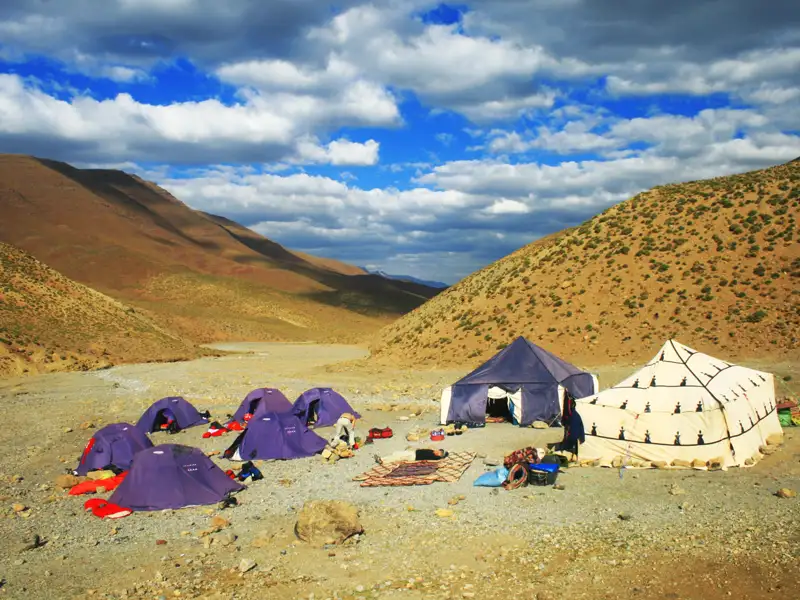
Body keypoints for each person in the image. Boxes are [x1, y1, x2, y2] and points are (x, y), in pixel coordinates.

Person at [374, 448, 449, 465]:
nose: (437, 451)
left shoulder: (435, 457)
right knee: (396, 454)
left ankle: (382, 460)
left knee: (397, 457)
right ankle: (383, 459)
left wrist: (441, 457)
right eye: (439, 450)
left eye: (439, 452)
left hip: (413, 457)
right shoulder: (432, 451)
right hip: (412, 453)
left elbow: (439, 460)